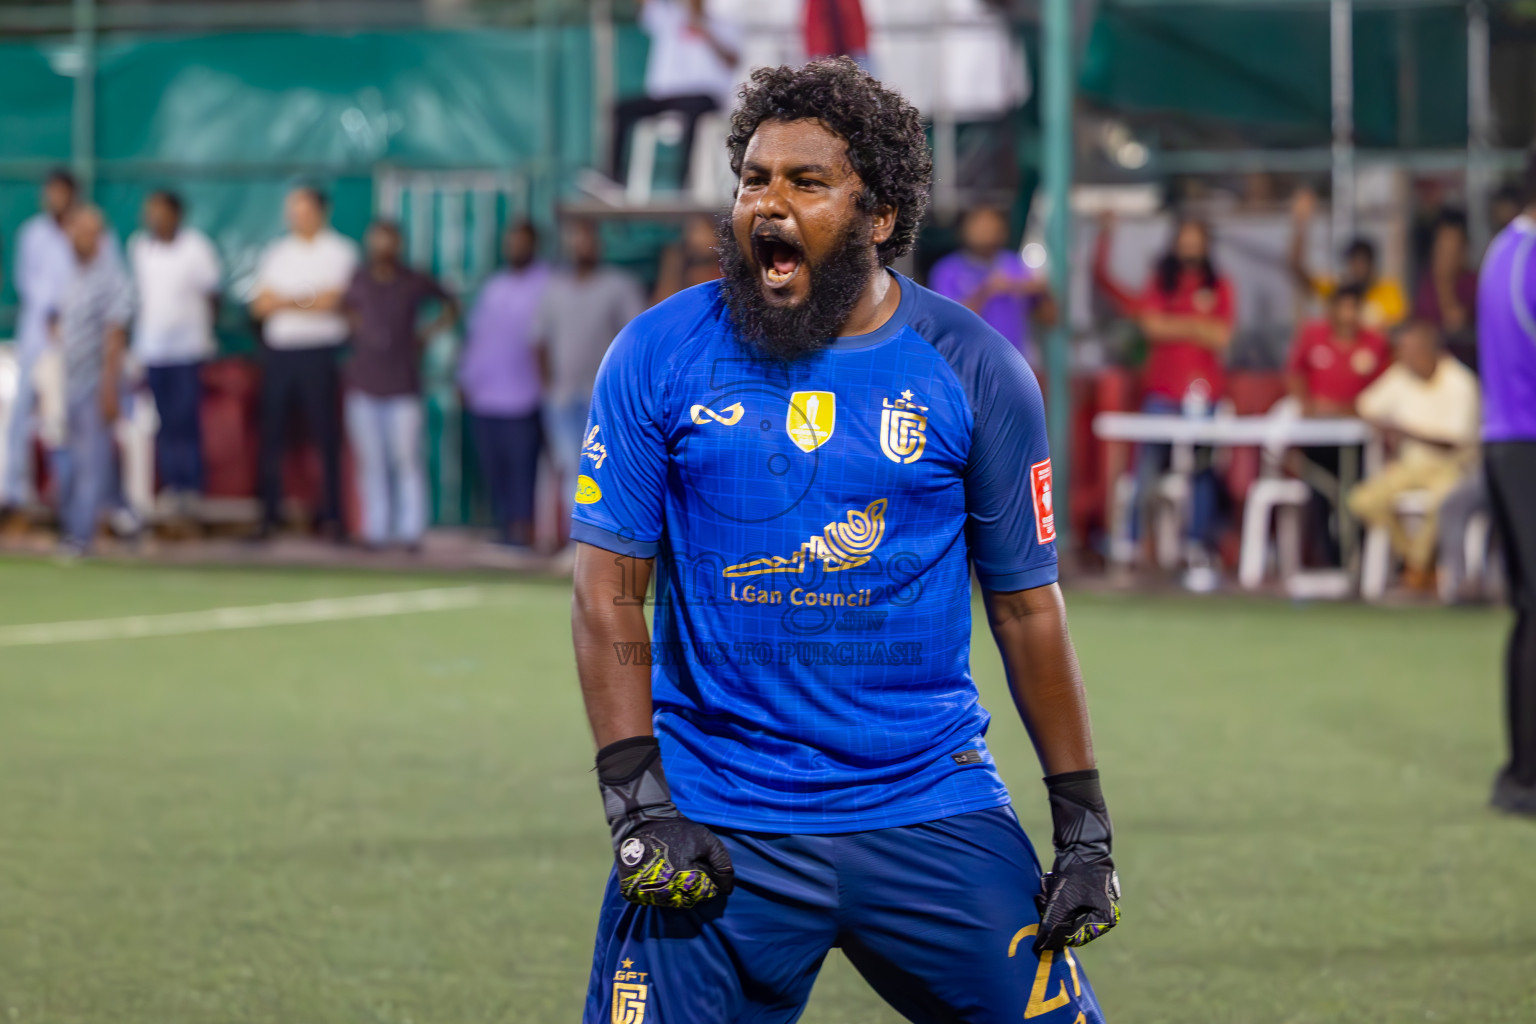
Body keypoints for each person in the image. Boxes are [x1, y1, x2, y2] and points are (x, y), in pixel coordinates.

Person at [572, 58, 1117, 1023]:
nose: (767, 205)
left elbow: (1027, 605)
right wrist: (637, 800)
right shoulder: (658, 352)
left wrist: (1082, 827)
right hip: (718, 816)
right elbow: (609, 590)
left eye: (805, 183)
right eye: (754, 179)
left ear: (878, 216)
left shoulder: (977, 368)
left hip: (928, 806)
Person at [1095, 213, 1235, 590]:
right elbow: (1150, 326)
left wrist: (1174, 324)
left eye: (1197, 238)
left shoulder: (1218, 285)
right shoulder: (1162, 282)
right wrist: (1194, 326)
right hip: (1161, 392)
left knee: (1203, 472)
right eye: (1185, 238)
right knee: (1147, 469)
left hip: (1205, 394)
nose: (1190, 246)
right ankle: (1131, 544)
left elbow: (1221, 338)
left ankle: (1196, 547)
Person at [1475, 153, 1536, 815]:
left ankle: (1522, 772)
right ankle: (1523, 775)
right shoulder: (1527, 255)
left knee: (1529, 612)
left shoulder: (1504, 250)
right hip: (1525, 441)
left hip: (1507, 440)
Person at [340, 220, 457, 552]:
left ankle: (410, 531)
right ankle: (375, 530)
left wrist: (427, 334)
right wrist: (359, 330)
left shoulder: (412, 279)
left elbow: (450, 304)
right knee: (372, 461)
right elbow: (344, 308)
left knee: (406, 459)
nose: (381, 248)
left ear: (398, 245)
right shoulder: (359, 279)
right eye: (376, 241)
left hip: (403, 385)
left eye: (387, 242)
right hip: (364, 382)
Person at [249, 185, 357, 541]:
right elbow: (260, 305)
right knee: (272, 438)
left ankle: (334, 520)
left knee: (326, 437)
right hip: (280, 355)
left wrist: (288, 300)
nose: (296, 216)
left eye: (303, 209)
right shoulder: (278, 253)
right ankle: (269, 518)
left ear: (320, 211)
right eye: (293, 209)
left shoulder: (340, 251)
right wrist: (305, 299)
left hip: (319, 354)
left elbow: (333, 301)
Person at [1347, 321, 1481, 592]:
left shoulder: (1460, 382)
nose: (1402, 356)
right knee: (1363, 500)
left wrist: (1403, 431)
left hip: (1452, 468)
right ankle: (1416, 562)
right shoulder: (1400, 375)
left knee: (1444, 503)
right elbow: (1364, 406)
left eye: (1409, 350)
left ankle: (1420, 568)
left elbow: (1452, 443)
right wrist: (1382, 427)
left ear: (1429, 350)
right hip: (1409, 466)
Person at [127, 190, 222, 519]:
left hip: (188, 350)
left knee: (186, 420)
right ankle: (170, 488)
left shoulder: (196, 248)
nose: (154, 217)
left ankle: (192, 488)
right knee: (163, 423)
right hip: (152, 351)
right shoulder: (140, 248)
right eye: (149, 210)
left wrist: (204, 334)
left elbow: (214, 296)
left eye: (160, 211)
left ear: (176, 214)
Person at [536, 219, 644, 500]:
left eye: (588, 238)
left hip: (603, 395)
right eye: (576, 238)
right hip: (562, 396)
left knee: (603, 466)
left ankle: (599, 539)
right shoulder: (554, 288)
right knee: (569, 465)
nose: (582, 245)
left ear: (599, 244)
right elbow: (539, 340)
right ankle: (575, 538)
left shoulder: (618, 285)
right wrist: (547, 386)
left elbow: (636, 338)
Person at [1284, 284, 1390, 565]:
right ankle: (1328, 559)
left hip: (1357, 441)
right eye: (1342, 307)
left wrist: (1344, 410)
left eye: (1353, 307)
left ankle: (1357, 556)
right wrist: (1308, 405)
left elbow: (1382, 391)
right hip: (1318, 439)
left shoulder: (1374, 343)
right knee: (1317, 495)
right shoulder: (1313, 336)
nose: (1347, 314)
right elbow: (1295, 375)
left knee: (1355, 496)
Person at [459, 221, 549, 548]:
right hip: (484, 394)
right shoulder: (494, 285)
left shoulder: (547, 283)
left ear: (535, 244)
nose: (514, 248)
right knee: (492, 466)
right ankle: (504, 527)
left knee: (521, 468)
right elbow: (476, 337)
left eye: (521, 242)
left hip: (524, 393)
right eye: (510, 241)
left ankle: (523, 531)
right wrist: (465, 377)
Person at [53, 205, 132, 556]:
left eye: (84, 232)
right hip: (67, 382)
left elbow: (115, 335)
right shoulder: (72, 275)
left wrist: (108, 386)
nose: (76, 238)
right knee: (81, 459)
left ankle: (79, 535)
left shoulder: (110, 277)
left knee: (90, 462)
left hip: (95, 382)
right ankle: (128, 517)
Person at [4, 170, 85, 515]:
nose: (55, 198)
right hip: (35, 338)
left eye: (61, 192)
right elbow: (27, 282)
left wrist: (64, 317)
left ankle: (65, 497)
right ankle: (15, 494)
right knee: (19, 416)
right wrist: (48, 313)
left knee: (63, 423)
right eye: (50, 192)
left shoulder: (85, 232)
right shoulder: (32, 234)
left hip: (71, 343)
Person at [610, 0, 740, 187]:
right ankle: (614, 177)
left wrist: (706, 32)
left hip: (706, 96)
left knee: (693, 110)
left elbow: (733, 59)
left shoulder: (724, 24)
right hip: (666, 97)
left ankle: (686, 179)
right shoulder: (669, 20)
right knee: (621, 108)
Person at [929, 204, 1056, 368]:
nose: (987, 233)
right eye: (980, 227)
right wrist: (987, 290)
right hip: (966, 366)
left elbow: (1050, 318)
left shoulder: (1015, 264)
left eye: (993, 227)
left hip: (1014, 366)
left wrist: (1042, 291)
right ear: (965, 230)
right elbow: (948, 322)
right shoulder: (948, 270)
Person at [1289, 187, 1407, 332]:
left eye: (1363, 262)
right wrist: (1301, 225)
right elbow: (1297, 270)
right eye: (1354, 262)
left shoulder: (1388, 289)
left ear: (1372, 264)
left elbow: (1397, 328)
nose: (1358, 268)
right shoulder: (1337, 289)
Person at [1411, 210, 1479, 369]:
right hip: (1429, 365)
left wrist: (1444, 282)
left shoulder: (1471, 282)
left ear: (1463, 251)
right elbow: (1419, 325)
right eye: (1441, 246)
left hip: (1460, 367)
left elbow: (1454, 324)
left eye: (1451, 247)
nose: (1445, 253)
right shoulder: (1426, 280)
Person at [651, 213, 722, 305]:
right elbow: (663, 299)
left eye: (704, 231)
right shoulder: (676, 259)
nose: (699, 238)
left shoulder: (726, 266)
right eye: (695, 231)